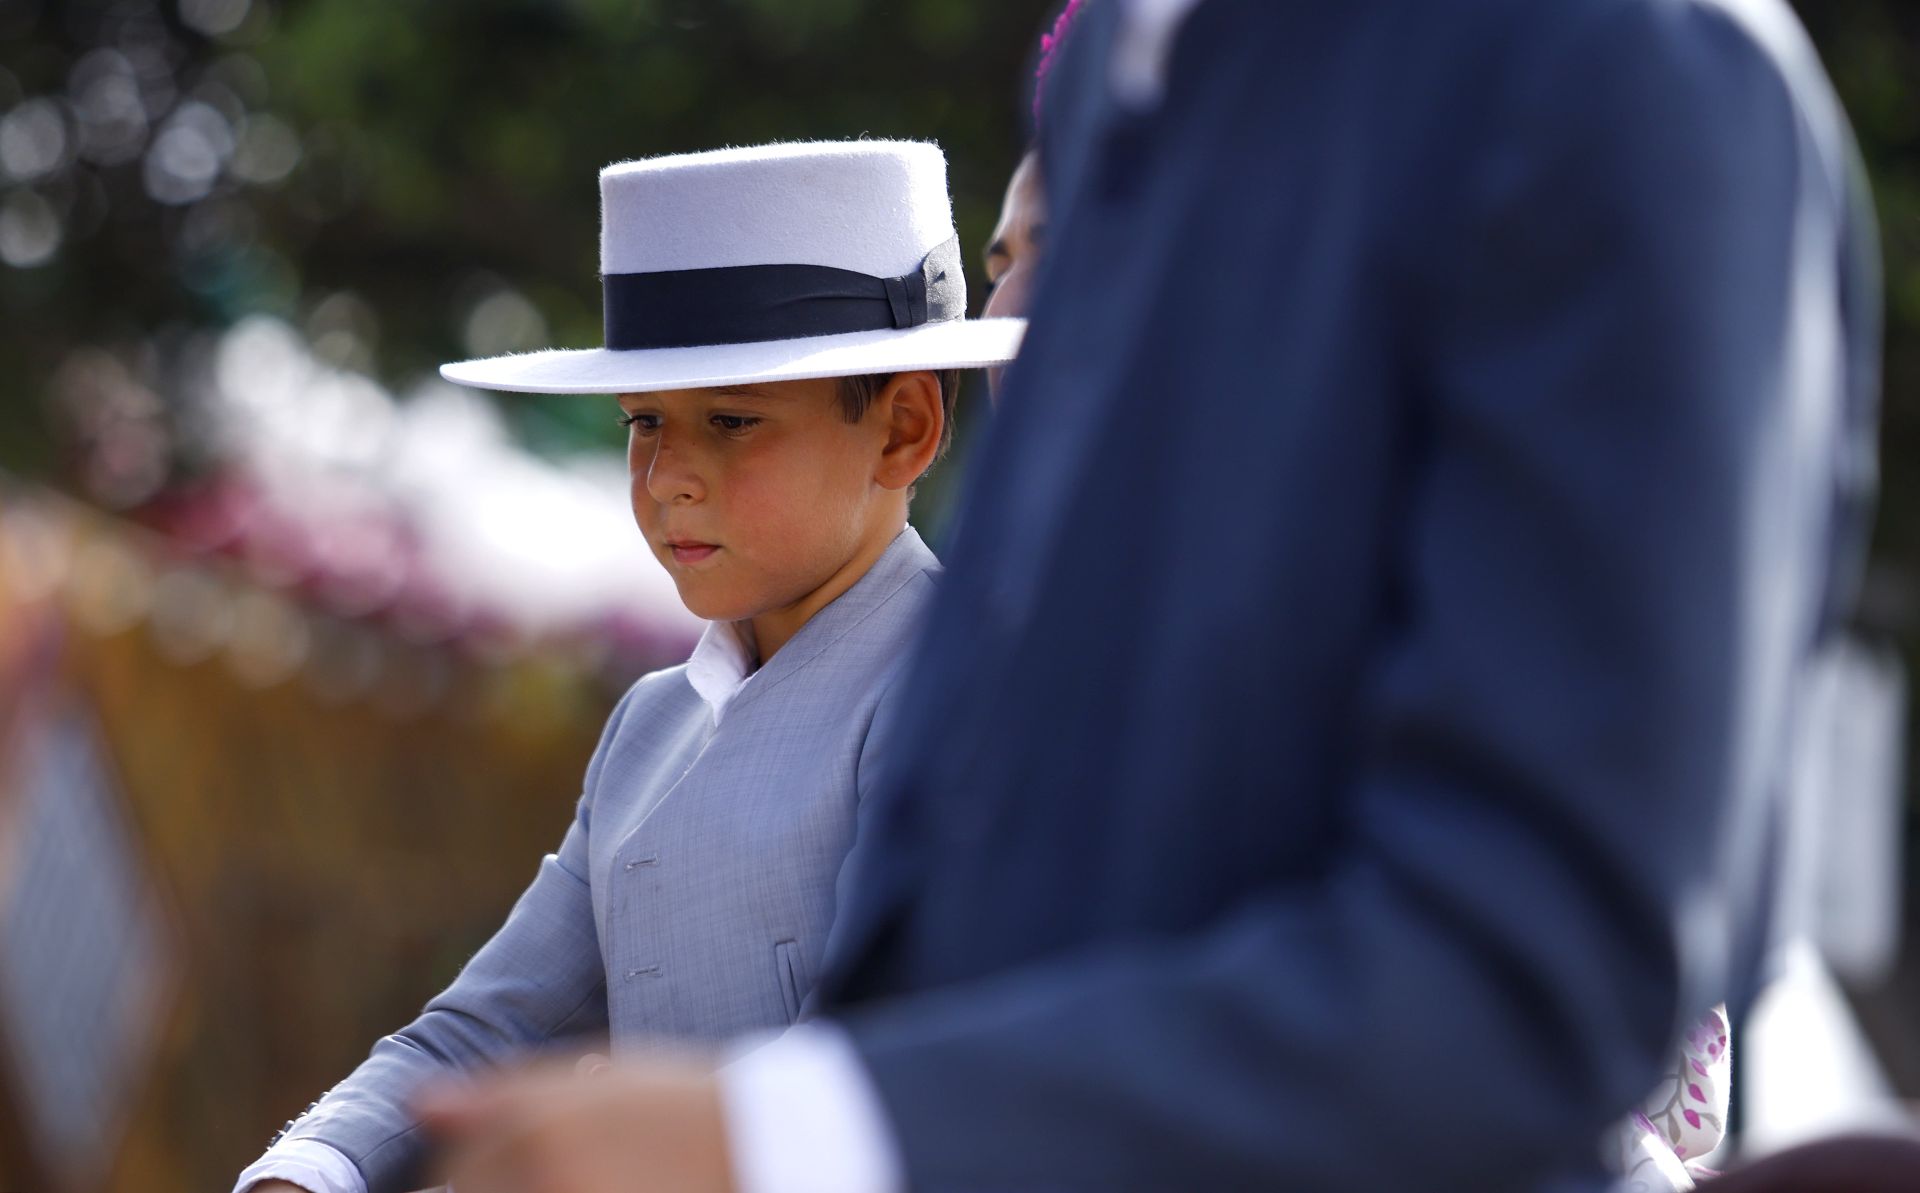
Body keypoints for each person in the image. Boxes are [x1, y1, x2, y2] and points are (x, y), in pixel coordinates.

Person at [415, 1, 1883, 1190]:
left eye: (728, 421)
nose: (1015, 320)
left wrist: (792, 1137)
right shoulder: (1137, 66)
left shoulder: (1617, 67)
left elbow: (1538, 971)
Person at [230, 139, 1023, 1193]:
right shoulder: (647, 729)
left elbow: (895, 1067)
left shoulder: (954, 691)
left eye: (732, 420)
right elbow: (486, 1025)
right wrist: (312, 1167)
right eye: (645, 422)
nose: (668, 478)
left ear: (904, 428)